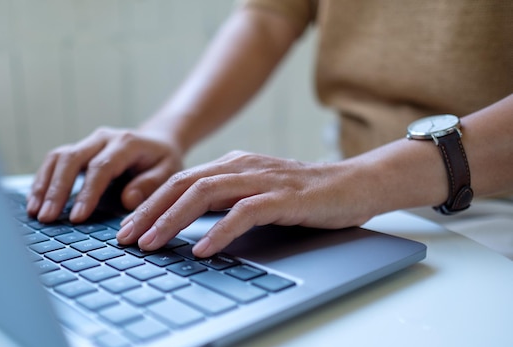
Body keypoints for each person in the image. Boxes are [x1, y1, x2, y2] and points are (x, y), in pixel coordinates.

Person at [26, 0, 513, 259]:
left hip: (495, 207)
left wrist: (363, 180)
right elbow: (270, 13)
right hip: (357, 190)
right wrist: (168, 133)